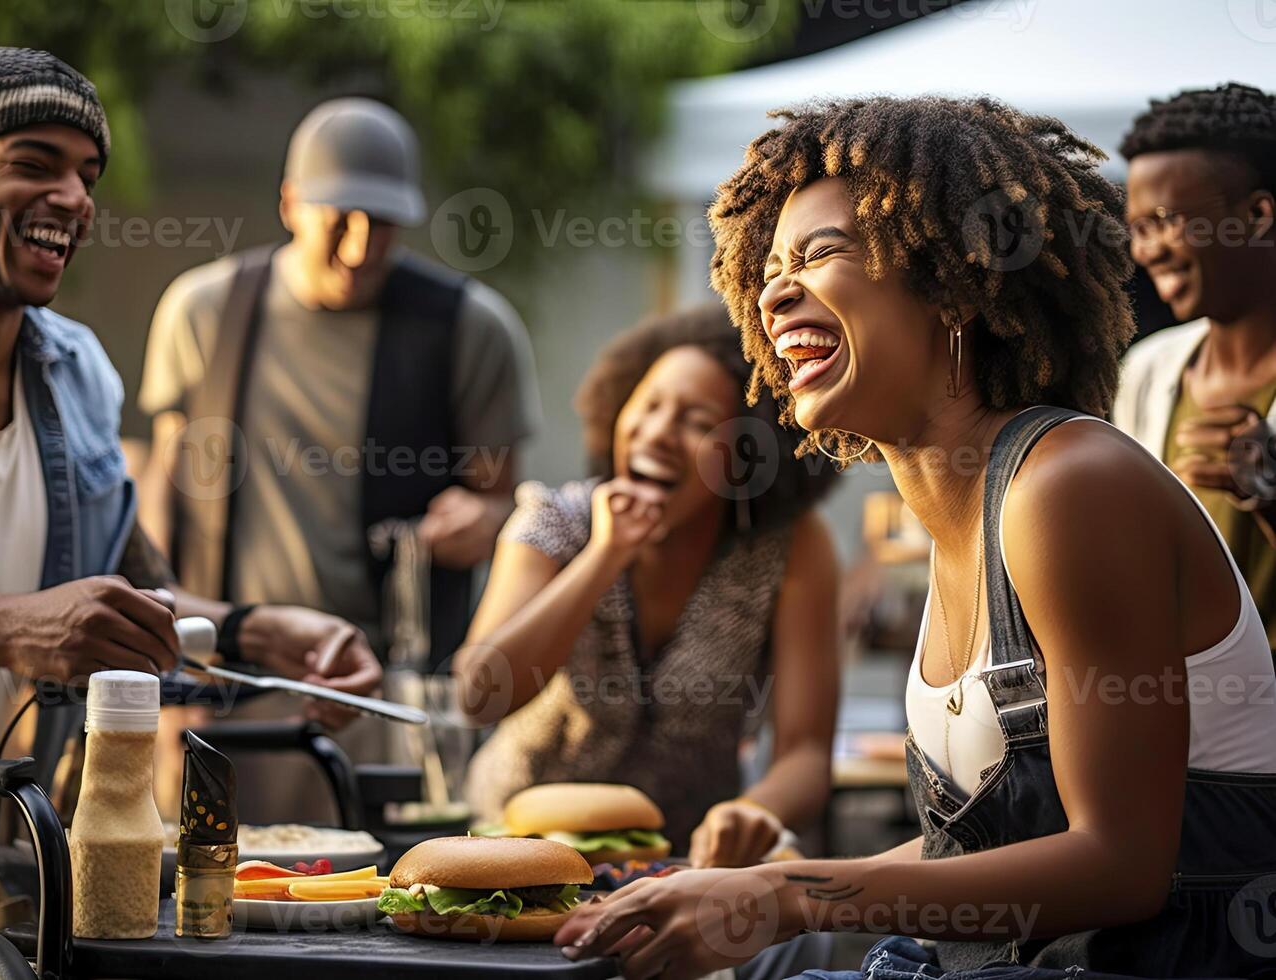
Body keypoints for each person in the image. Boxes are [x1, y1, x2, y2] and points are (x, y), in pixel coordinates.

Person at [558, 96, 1276, 979]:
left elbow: (1119, 864)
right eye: (770, 265)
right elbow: (980, 866)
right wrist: (760, 889)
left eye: (820, 253)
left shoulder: (1070, 486)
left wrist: (789, 897)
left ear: (952, 281)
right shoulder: (958, 523)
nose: (776, 288)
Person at [0, 48, 379, 869]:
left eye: (86, 174)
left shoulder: (82, 372)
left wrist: (258, 631)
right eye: (33, 164)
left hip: (18, 862)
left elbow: (129, 591)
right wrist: (6, 627)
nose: (72, 198)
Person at [136, 96, 542, 669]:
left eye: (381, 224)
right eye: (340, 219)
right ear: (290, 203)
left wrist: (481, 522)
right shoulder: (205, 311)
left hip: (392, 679)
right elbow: (168, 487)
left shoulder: (469, 328)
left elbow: (502, 502)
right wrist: (166, 645)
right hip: (228, 673)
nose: (359, 247)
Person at [458, 304, 839, 866]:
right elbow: (476, 696)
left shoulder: (790, 550)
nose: (658, 433)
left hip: (685, 872)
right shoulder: (553, 521)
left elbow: (805, 754)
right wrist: (604, 556)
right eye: (650, 405)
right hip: (512, 857)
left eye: (696, 421)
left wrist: (753, 812)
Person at [1114, 82, 1276, 654]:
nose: (1146, 250)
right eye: (1137, 229)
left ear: (1256, 215)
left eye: (1165, 220)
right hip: (1183, 719)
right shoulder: (1148, 371)